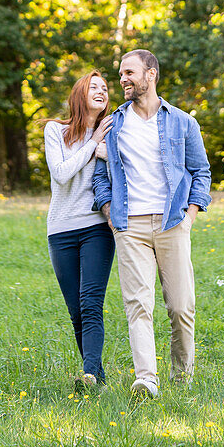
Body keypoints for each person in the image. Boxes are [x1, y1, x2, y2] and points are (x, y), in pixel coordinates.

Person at [92, 48, 211, 398]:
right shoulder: (112, 124)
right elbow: (101, 175)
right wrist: (111, 214)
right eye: (120, 75)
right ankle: (147, 379)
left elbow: (200, 171)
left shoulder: (183, 122)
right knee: (138, 304)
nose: (123, 79)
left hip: (173, 222)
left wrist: (189, 215)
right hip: (130, 225)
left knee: (181, 306)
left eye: (129, 72)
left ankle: (182, 377)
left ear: (151, 74)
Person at [44, 69, 115, 388]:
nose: (101, 91)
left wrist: (106, 148)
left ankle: (88, 373)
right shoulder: (55, 131)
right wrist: (93, 144)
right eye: (93, 86)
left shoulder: (113, 132)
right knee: (75, 310)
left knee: (90, 302)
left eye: (105, 87)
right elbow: (61, 174)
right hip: (60, 230)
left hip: (96, 227)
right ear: (79, 94)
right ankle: (96, 378)